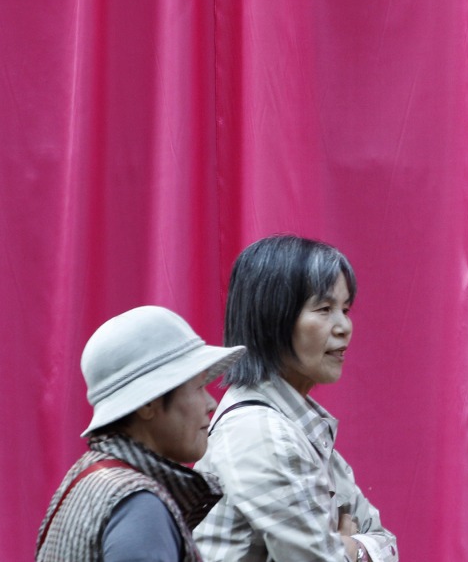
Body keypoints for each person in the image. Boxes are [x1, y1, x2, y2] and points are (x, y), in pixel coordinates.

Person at [195, 235, 397, 561]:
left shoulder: (302, 426)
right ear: (271, 318)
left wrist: (353, 548)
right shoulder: (260, 432)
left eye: (345, 309)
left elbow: (384, 539)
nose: (344, 326)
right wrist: (357, 550)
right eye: (324, 309)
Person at [36, 305, 245, 562]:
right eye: (199, 387)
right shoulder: (140, 507)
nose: (211, 404)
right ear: (148, 403)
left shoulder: (88, 477)